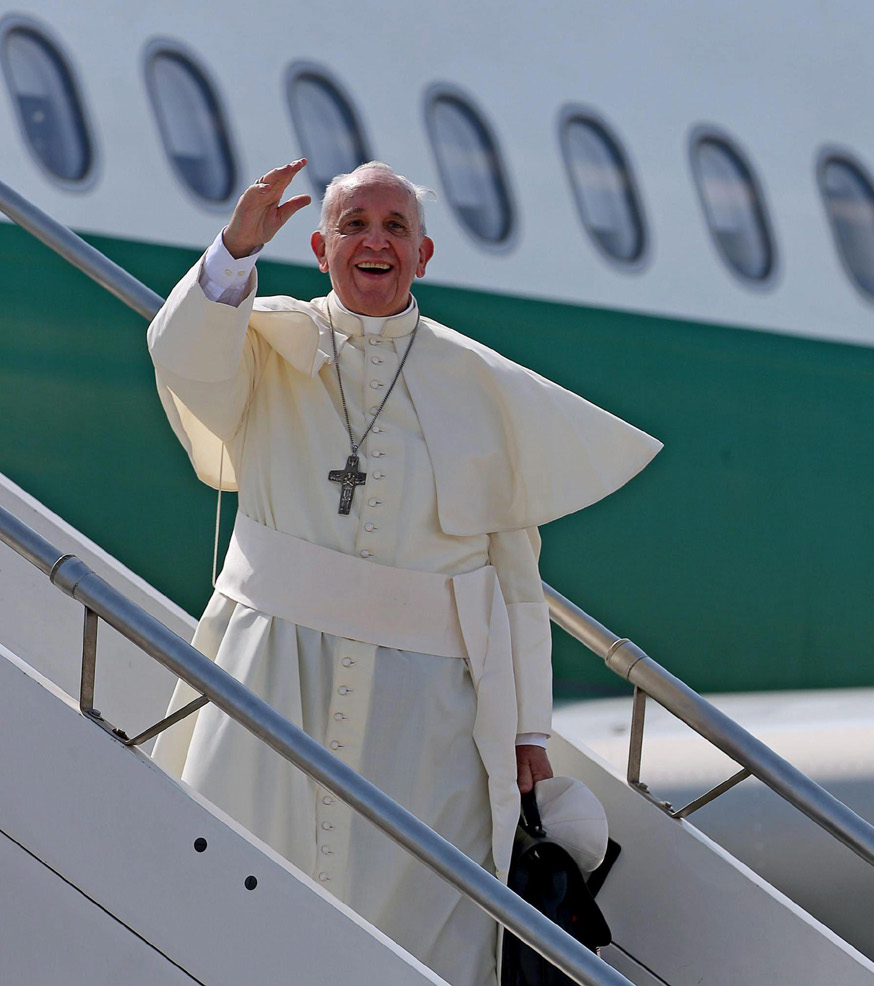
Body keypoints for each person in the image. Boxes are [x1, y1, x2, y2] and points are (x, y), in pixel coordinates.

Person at [148, 158, 660, 985]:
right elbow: (185, 358)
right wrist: (234, 249)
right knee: (235, 893)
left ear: (424, 256)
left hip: (422, 713)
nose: (374, 242)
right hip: (272, 674)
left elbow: (516, 583)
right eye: (354, 225)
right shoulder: (268, 340)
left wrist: (530, 730)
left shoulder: (482, 387)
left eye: (395, 228)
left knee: (420, 926)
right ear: (320, 246)